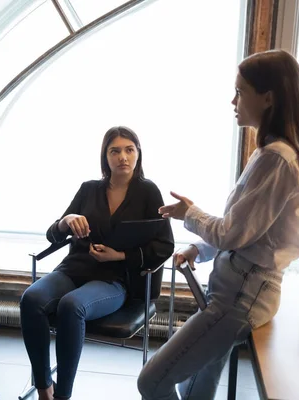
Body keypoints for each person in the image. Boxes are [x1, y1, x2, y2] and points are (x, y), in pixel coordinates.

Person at [137, 49, 299, 400]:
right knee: (197, 390)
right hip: (239, 292)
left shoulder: (276, 160)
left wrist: (190, 213)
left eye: (240, 91)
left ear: (268, 98)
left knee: (152, 381)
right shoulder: (272, 155)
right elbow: (249, 231)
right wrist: (200, 248)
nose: (233, 100)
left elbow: (234, 232)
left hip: (240, 299)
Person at [20, 126, 175, 400]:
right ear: (105, 156)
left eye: (129, 150)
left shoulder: (148, 192)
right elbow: (53, 234)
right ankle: (44, 387)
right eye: (114, 151)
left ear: (138, 154)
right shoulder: (89, 189)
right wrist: (66, 222)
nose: (122, 157)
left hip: (114, 279)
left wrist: (120, 256)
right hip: (74, 269)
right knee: (31, 299)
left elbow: (165, 245)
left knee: (71, 305)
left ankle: (62, 395)